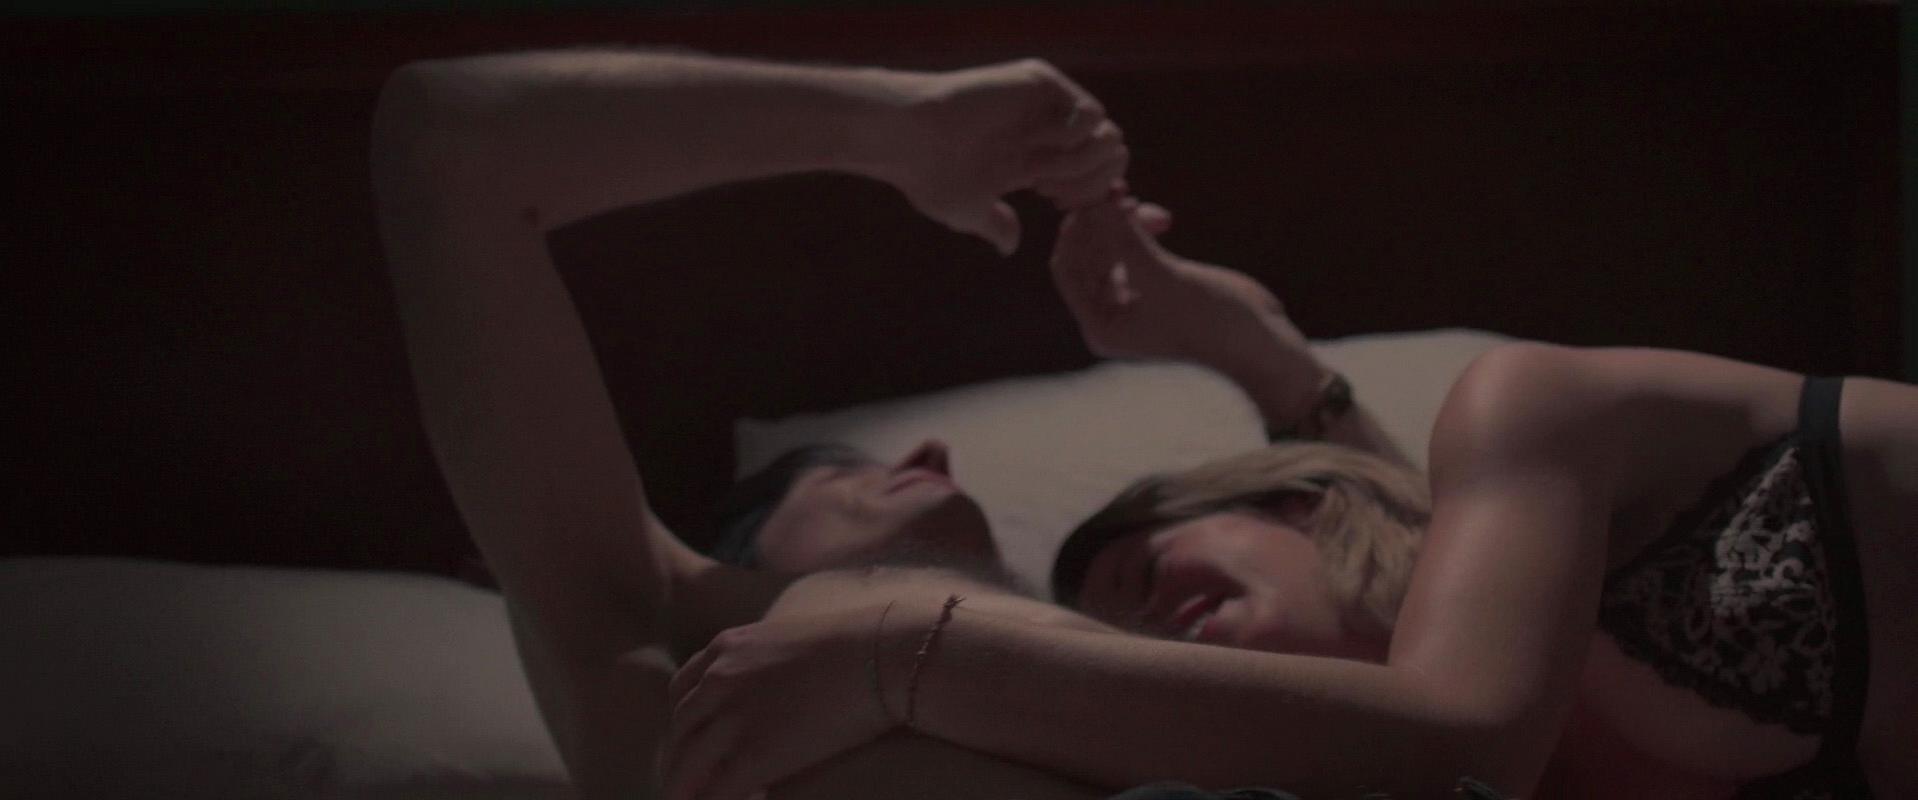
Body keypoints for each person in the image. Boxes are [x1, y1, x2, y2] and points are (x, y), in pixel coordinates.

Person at [371, 47, 1918, 800]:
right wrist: (874, 128)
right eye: (823, 480)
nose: (924, 462)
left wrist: (1249, 356)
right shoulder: (682, 678)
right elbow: (444, 143)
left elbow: (1430, 656)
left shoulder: (1205, 692)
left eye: (1135, 573)